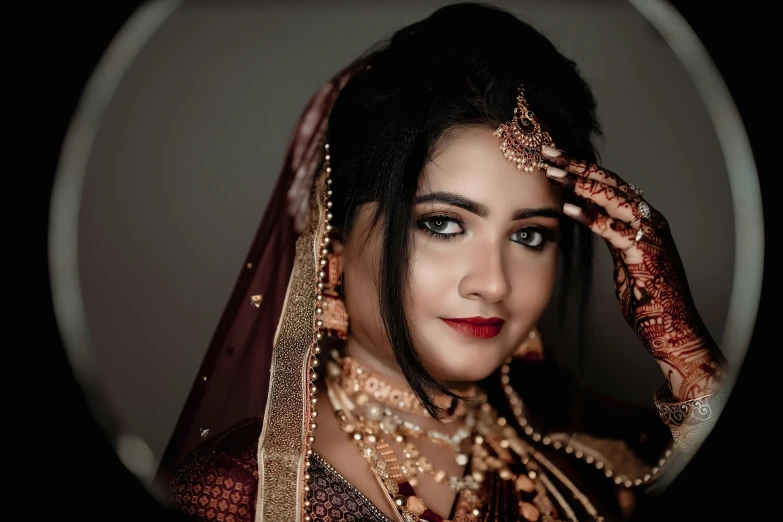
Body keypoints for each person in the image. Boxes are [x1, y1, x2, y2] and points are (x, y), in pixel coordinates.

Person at [155, 4, 729, 521]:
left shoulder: (591, 477)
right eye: (442, 224)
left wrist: (691, 360)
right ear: (332, 240)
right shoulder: (243, 491)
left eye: (529, 235)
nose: (493, 283)